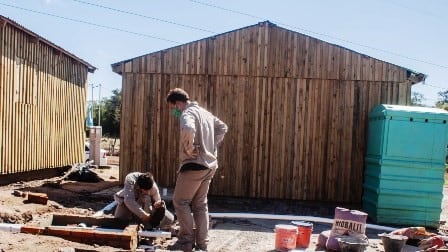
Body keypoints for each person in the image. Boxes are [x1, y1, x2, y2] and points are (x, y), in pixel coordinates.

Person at [166, 88, 228, 252]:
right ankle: (202, 244)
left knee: (180, 201)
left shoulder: (187, 113)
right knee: (200, 205)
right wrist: (211, 145)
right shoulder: (205, 113)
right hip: (210, 166)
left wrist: (189, 147)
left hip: (194, 164)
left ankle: (186, 241)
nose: (175, 111)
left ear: (178, 103)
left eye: (174, 108)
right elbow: (223, 127)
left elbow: (188, 128)